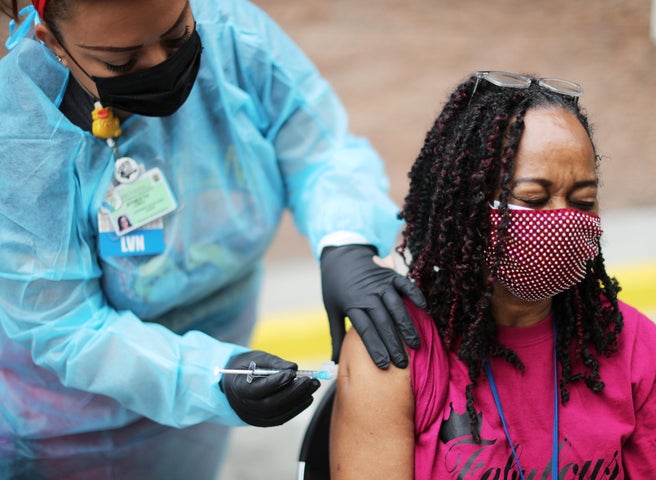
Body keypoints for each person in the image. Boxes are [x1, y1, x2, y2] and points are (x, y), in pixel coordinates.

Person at [0, 0, 425, 477]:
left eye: (178, 36)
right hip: (63, 425)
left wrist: (346, 241)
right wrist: (206, 378)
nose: (163, 65)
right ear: (51, 41)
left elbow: (319, 149)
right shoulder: (19, 138)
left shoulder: (230, 32)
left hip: (200, 410)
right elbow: (64, 326)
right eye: (121, 62)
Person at [330, 71, 656, 479]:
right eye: (533, 199)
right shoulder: (395, 348)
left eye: (582, 200)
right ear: (466, 208)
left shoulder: (637, 347)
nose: (563, 221)